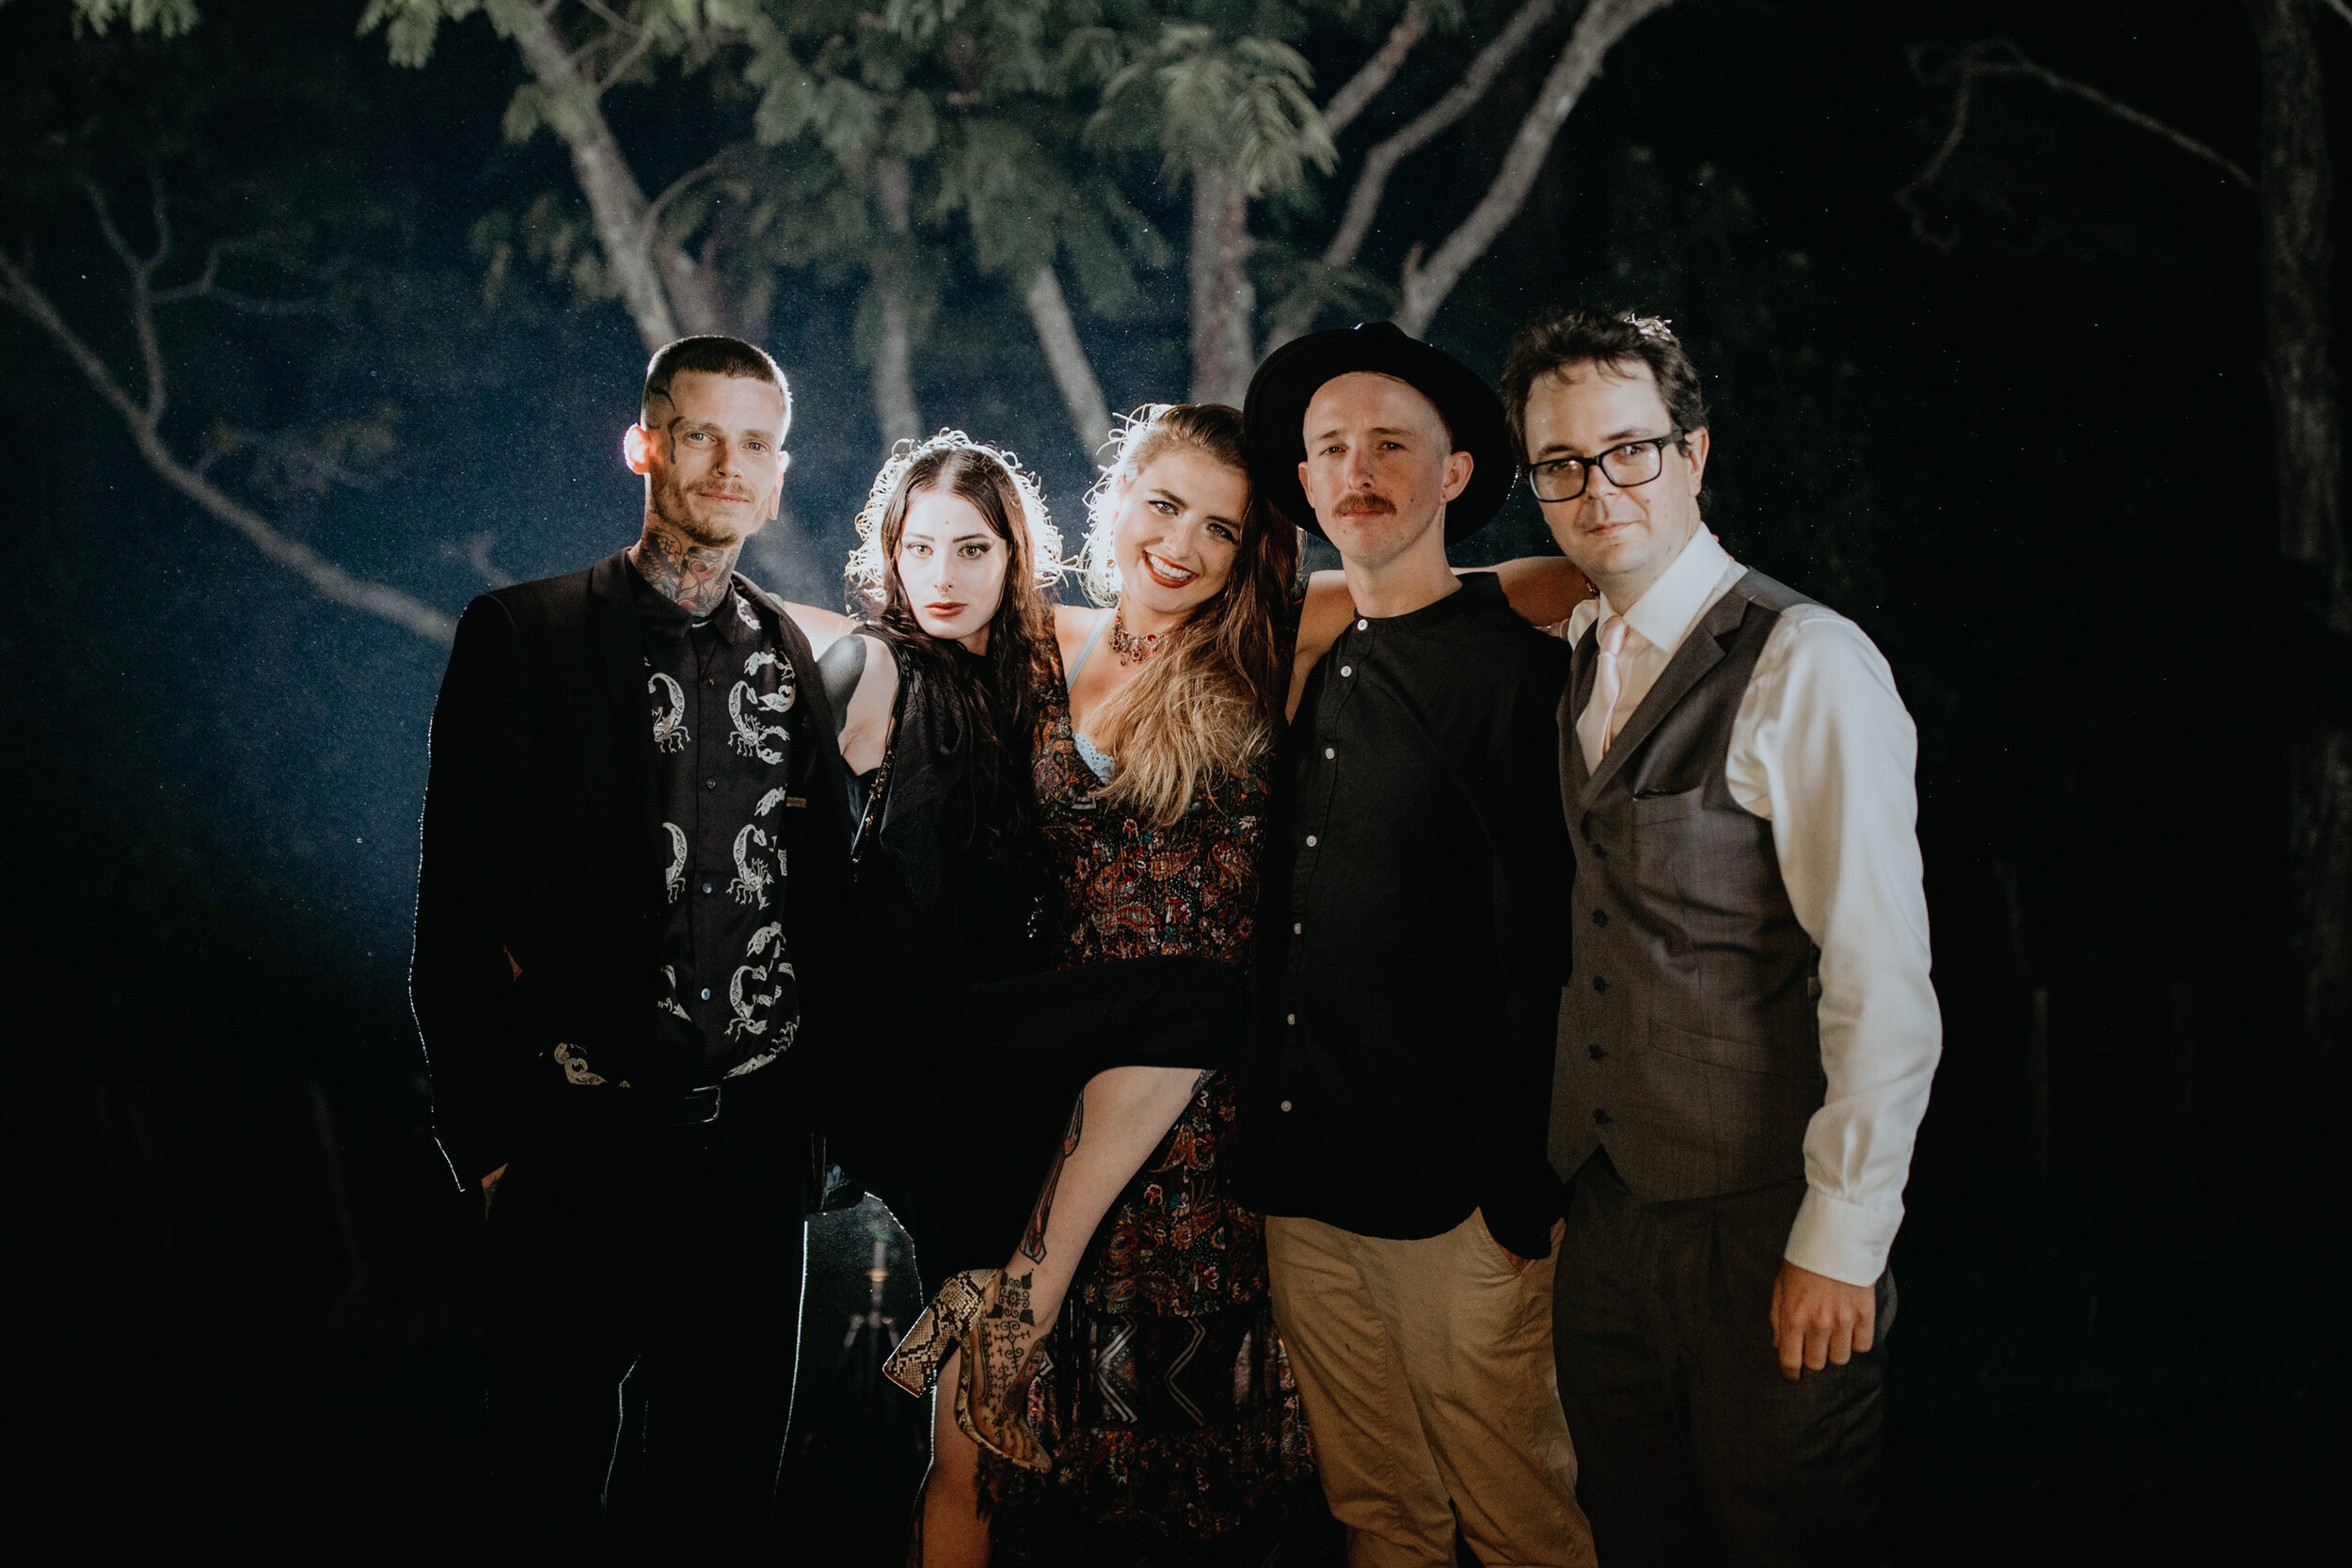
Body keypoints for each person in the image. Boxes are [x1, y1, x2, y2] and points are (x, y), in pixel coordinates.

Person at [1505, 308, 1940, 1566]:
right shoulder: (1581, 652)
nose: (1600, 488)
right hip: (1607, 1224)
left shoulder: (1807, 660)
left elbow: (1880, 979)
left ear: (1694, 453)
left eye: (1630, 449)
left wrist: (1840, 1243)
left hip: (1766, 1224)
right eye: (1563, 464)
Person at [411, 334, 850, 1549]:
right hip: (572, 1147)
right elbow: (455, 912)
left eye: (753, 442)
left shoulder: (793, 658)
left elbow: (816, 905)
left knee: (720, 1500)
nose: (727, 463)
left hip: (749, 1160)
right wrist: (492, 1143)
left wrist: (810, 1128)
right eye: (701, 433)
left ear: (777, 471)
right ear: (644, 443)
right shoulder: (527, 633)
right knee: (539, 1488)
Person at [779, 433, 1237, 1568]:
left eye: (970, 548)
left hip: (971, 1088)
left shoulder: (1017, 678)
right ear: (888, 554)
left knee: (974, 1434)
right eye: (918, 545)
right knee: (1205, 1001)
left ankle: (983, 1313)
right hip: (902, 1053)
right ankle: (1024, 1288)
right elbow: (772, 798)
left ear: (1012, 554)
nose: (941, 573)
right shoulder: (883, 668)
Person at [1238, 322, 1599, 1567]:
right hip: (1306, 1181)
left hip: (1460, 1203)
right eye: (1330, 447)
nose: (1356, 467)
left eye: (1391, 443)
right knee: (1377, 1518)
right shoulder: (1303, 661)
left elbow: (1555, 946)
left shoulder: (1518, 677)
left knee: (1520, 1521)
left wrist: (1521, 1186)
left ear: (1454, 474)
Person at [976, 404, 1325, 1564]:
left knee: (1178, 1485)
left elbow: (1492, 588)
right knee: (1002, 1451)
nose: (1181, 545)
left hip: (1194, 1127)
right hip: (1048, 1100)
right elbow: (863, 623)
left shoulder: (1273, 644)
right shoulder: (1041, 642)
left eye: (1221, 530)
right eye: (1164, 504)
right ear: (1115, 499)